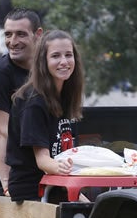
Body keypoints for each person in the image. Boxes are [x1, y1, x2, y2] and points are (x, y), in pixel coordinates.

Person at [6, 29, 84, 202]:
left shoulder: (65, 97)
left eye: (68, 55)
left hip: (57, 185)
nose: (64, 61)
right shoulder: (34, 102)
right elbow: (43, 161)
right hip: (33, 193)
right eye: (56, 56)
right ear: (43, 61)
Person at [0, 9, 43, 199]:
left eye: (21, 34)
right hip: (4, 171)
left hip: (38, 165)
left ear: (38, 34)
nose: (12, 42)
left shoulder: (45, 72)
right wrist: (7, 184)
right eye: (8, 34)